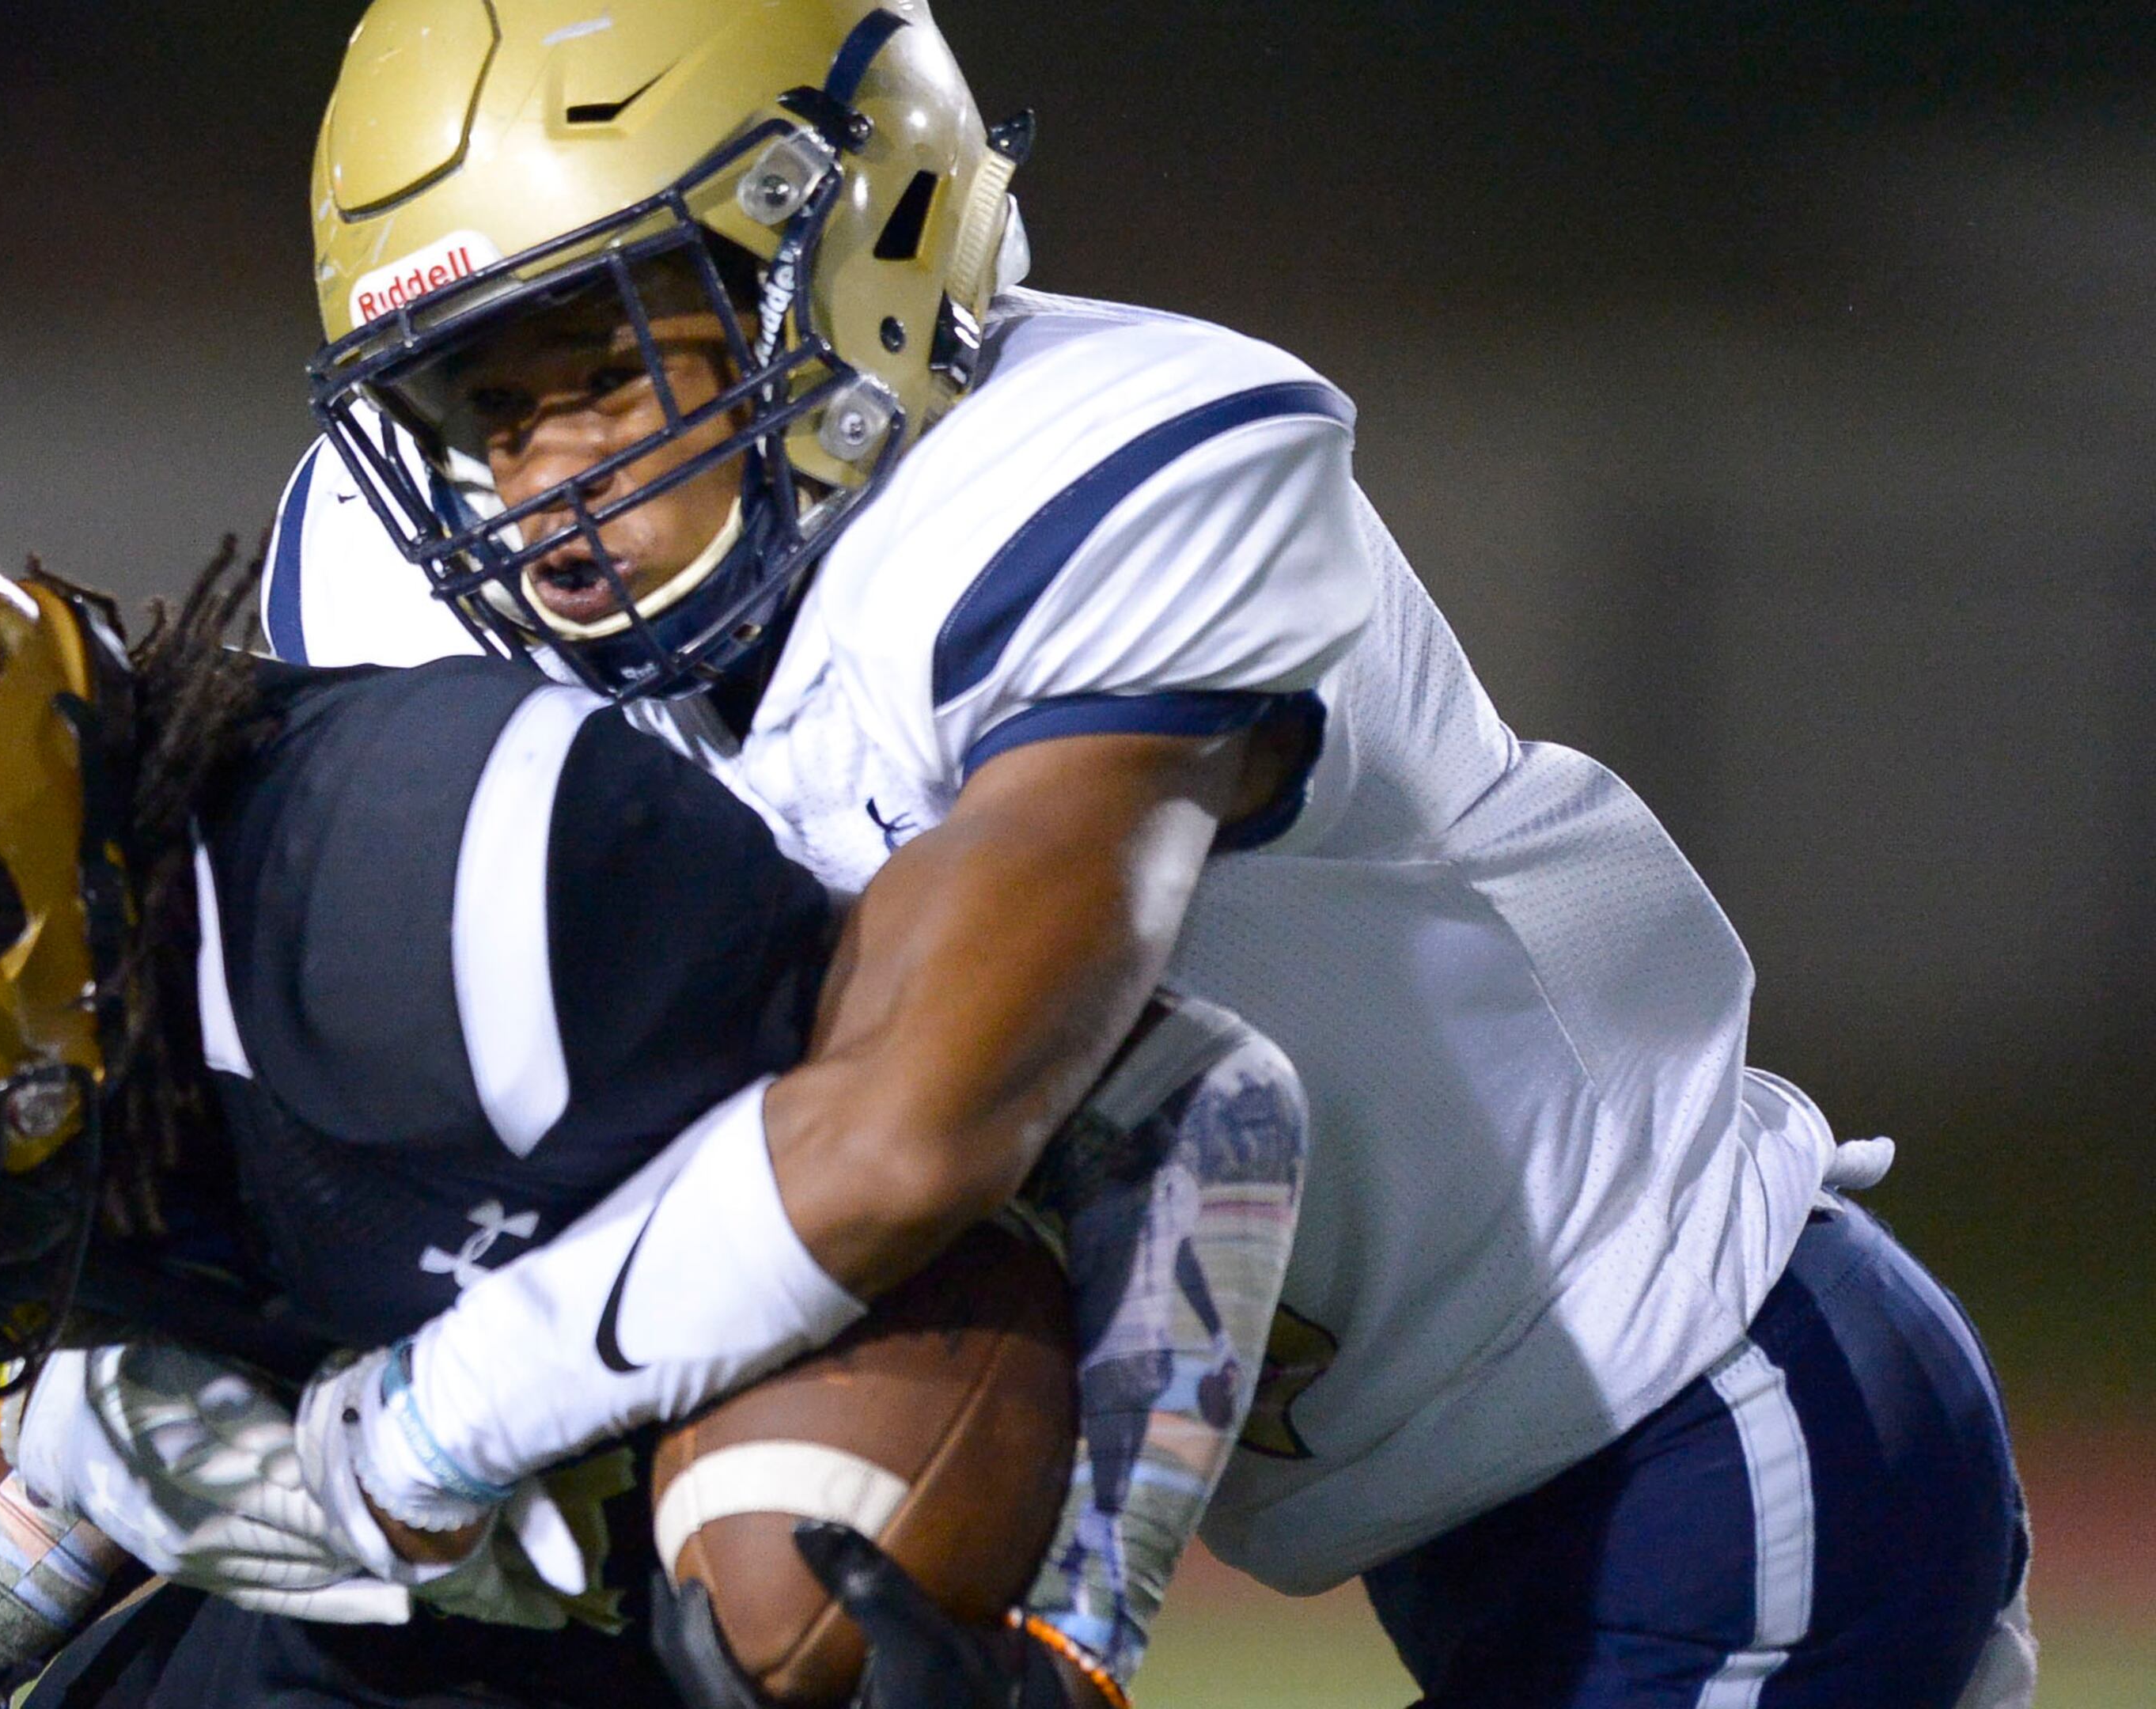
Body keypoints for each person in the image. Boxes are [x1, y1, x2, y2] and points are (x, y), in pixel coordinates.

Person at [213, 2, 2037, 1705]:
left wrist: (421, 1432)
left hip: (1710, 1434)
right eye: (481, 405)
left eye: (608, 361)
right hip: (1420, 1479)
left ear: (849, 248)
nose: (543, 487)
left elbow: (922, 1124)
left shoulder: (1111, 479)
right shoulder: (422, 599)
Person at [0, 490, 1257, 1709]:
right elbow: (174, 1423)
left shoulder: (456, 906)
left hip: (711, 1611)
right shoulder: (84, 1046)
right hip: (446, 1634)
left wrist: (1070, 1637)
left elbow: (1196, 1104)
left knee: (791, 1601)